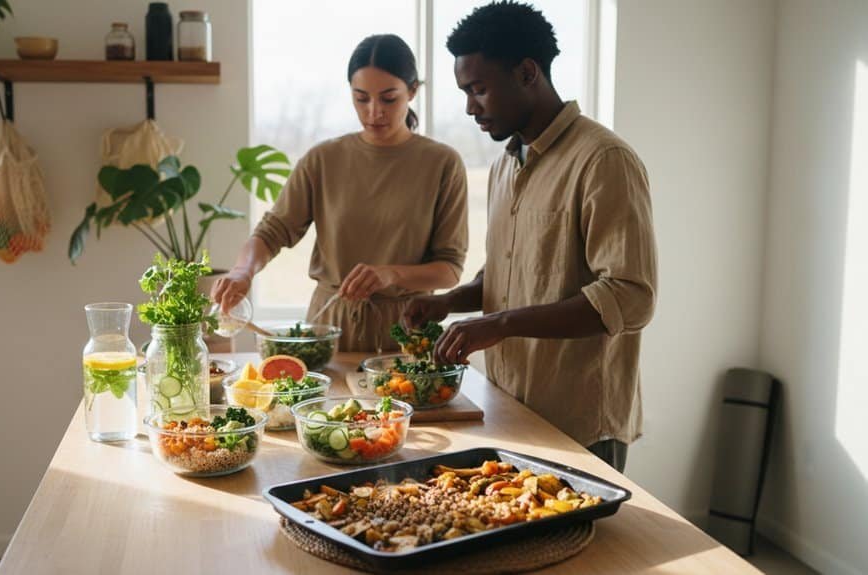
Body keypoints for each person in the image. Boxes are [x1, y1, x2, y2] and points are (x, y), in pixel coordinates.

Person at [403, 1, 657, 472]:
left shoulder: (604, 161)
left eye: (478, 89)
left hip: (580, 424)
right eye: (464, 92)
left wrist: (499, 324)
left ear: (526, 73)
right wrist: (450, 301)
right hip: (508, 406)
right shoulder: (505, 163)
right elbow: (513, 270)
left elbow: (630, 297)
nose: (469, 107)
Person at [212, 34, 468, 352]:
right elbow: (273, 231)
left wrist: (391, 274)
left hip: (406, 332)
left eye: (389, 99)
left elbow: (449, 270)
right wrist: (242, 272)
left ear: (412, 91)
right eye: (361, 98)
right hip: (329, 327)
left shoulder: (442, 163)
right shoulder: (323, 159)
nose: (374, 111)